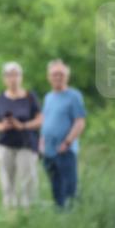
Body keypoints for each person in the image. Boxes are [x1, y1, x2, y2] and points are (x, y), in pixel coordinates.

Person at [0, 62, 43, 210]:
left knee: (27, 182)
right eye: (9, 75)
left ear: (21, 77)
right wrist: (2, 126)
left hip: (26, 144)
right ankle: (9, 214)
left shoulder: (30, 97)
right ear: (4, 78)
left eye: (16, 75)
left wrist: (22, 125)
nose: (13, 79)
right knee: (7, 183)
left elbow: (40, 120)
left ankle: (28, 213)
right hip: (5, 144)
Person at [39, 59, 87, 209]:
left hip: (65, 150)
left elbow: (80, 122)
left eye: (61, 74)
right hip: (49, 150)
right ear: (49, 77)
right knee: (56, 187)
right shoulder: (48, 97)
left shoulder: (74, 96)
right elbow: (45, 121)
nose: (57, 77)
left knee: (69, 188)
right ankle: (60, 217)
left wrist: (67, 142)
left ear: (67, 76)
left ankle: (72, 218)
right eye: (54, 74)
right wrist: (41, 142)